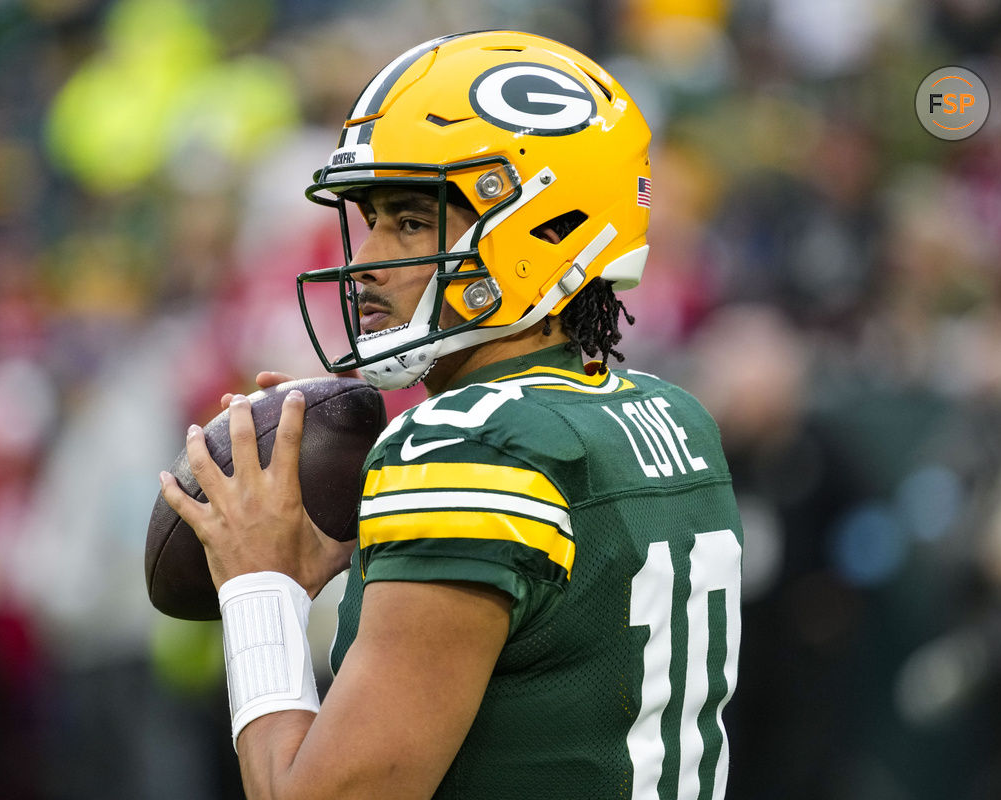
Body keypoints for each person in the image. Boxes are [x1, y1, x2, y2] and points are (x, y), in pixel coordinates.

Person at [159, 30, 743, 800]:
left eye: (408, 221)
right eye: (368, 219)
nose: (368, 258)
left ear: (542, 228)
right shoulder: (673, 414)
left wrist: (260, 588)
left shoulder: (469, 445)